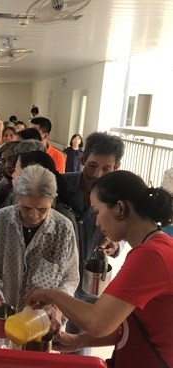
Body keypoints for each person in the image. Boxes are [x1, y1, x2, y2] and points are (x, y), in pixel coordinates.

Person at [26, 170, 173, 367]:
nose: (96, 222)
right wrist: (80, 340)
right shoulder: (155, 248)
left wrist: (51, 295)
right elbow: (123, 323)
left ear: (120, 208)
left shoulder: (151, 257)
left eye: (97, 211)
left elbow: (97, 322)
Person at [0, 165, 79, 346]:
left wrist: (57, 307)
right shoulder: (0, 220)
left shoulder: (64, 228)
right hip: (4, 311)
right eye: (26, 208)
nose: (33, 215)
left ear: (52, 201)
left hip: (40, 318)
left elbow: (70, 277)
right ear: (17, 197)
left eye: (42, 209)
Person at [62, 131, 125, 355]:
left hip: (91, 285)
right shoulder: (60, 185)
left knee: (77, 348)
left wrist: (114, 244)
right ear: (81, 159)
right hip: (57, 281)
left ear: (116, 167)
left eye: (106, 168)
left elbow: (123, 235)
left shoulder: (120, 199)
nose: (97, 174)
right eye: (92, 165)